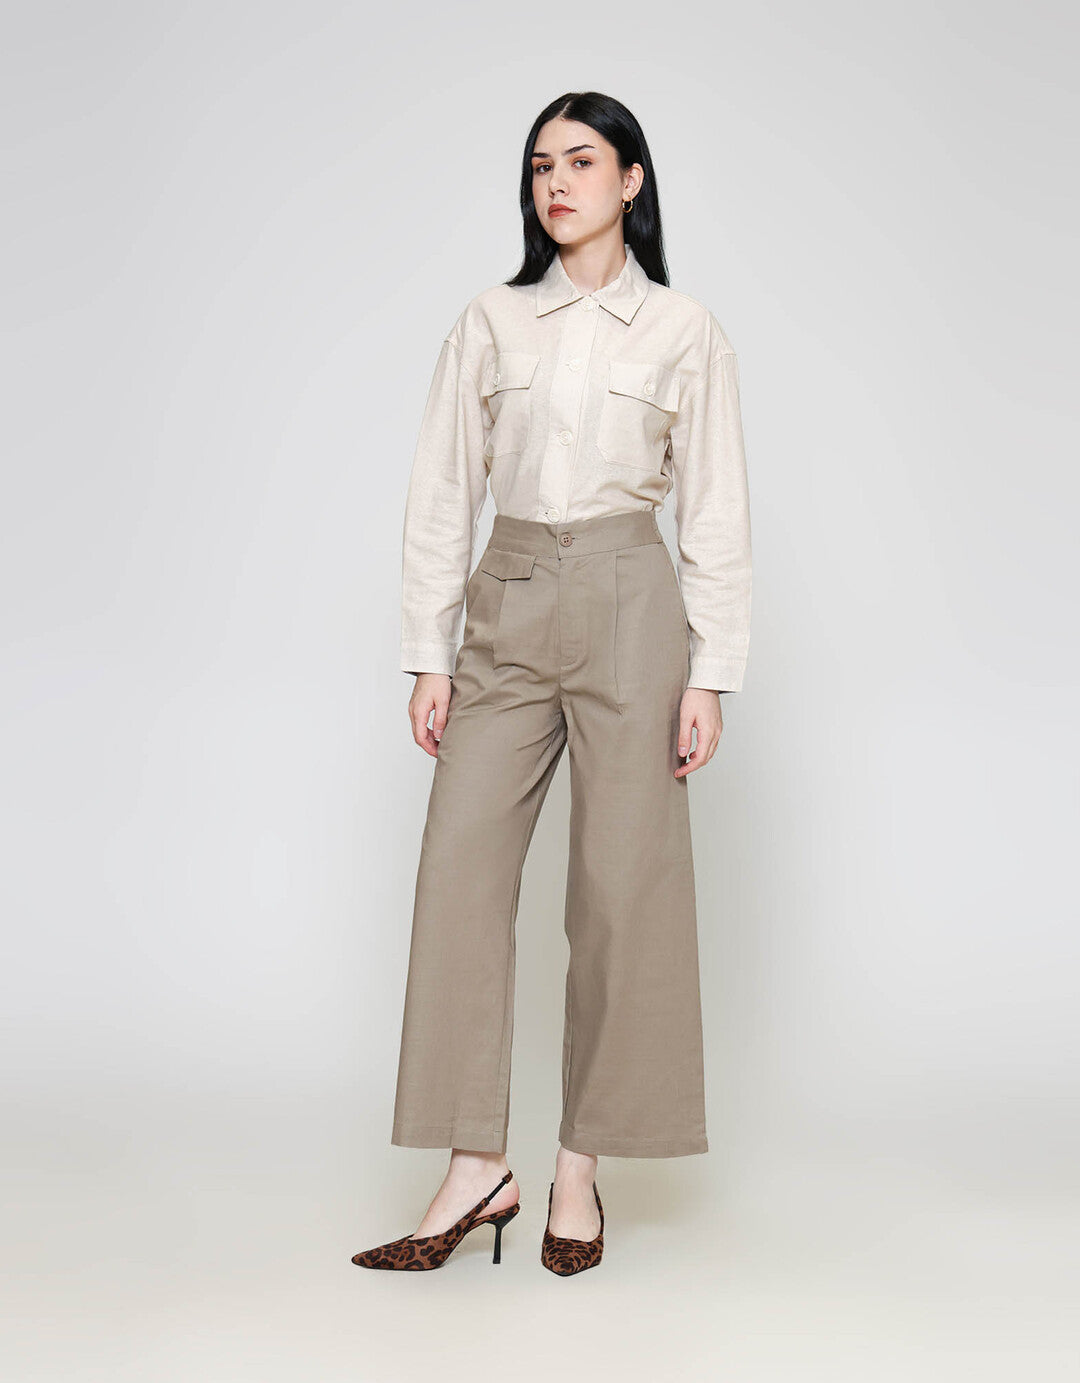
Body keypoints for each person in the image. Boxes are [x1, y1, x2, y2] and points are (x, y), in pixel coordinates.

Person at [352, 90, 751, 1276]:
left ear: (632, 180)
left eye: (581, 162)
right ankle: (478, 1166)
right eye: (540, 167)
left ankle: (579, 1167)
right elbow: (443, 490)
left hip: (634, 601)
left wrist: (711, 674)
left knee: (623, 893)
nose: (557, 184)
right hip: (511, 594)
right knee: (460, 871)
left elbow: (714, 511)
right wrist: (430, 653)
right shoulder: (492, 322)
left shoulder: (684, 330)